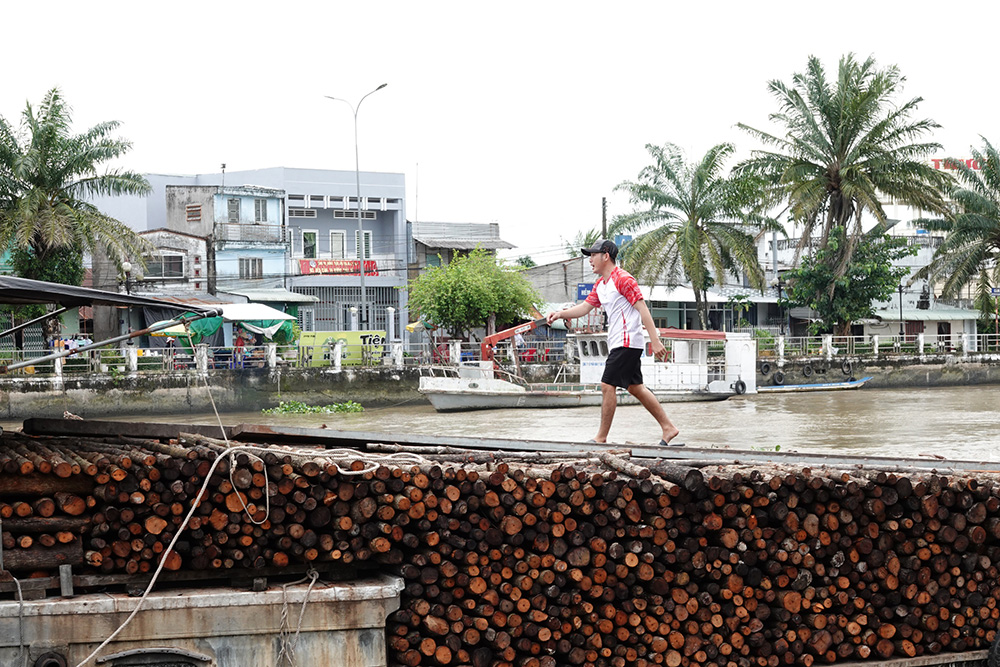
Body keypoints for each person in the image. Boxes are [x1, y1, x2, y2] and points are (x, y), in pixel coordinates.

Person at [546, 239, 681, 446]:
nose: (590, 260)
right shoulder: (601, 284)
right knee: (636, 388)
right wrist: (559, 314)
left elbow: (642, 308)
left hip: (627, 341)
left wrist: (655, 340)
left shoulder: (623, 279)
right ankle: (668, 427)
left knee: (607, 385)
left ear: (605, 256)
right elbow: (584, 307)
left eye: (593, 255)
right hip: (619, 342)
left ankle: (601, 437)